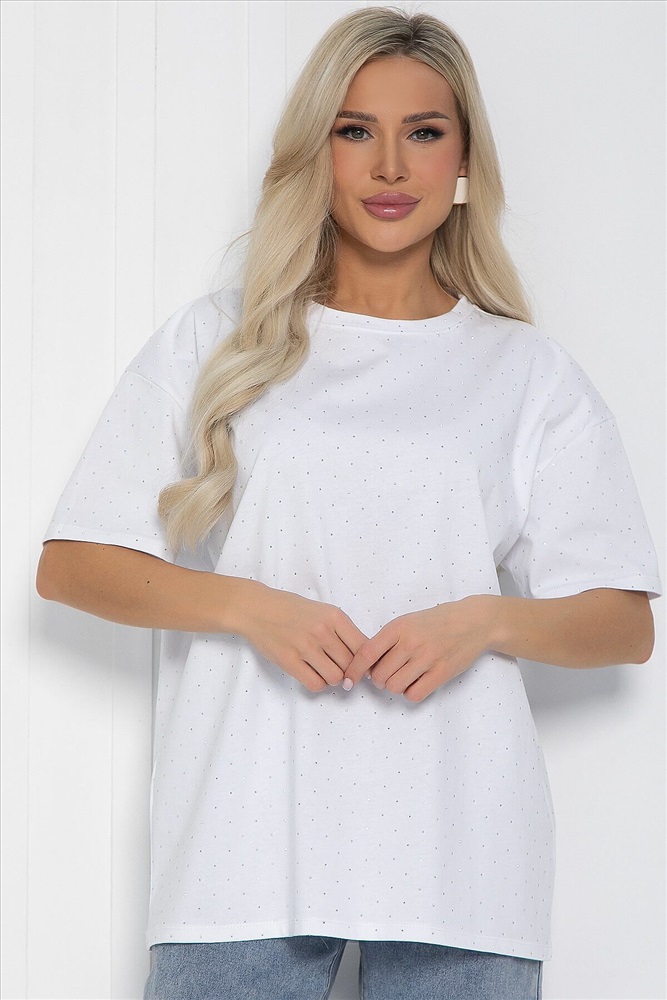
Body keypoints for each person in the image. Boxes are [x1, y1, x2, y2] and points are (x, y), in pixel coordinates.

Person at [36, 7, 661, 1000]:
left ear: (464, 160)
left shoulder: (525, 372)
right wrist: (250, 607)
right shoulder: (216, 341)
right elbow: (72, 563)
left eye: (424, 131)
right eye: (354, 130)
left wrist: (483, 620)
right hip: (241, 848)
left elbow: (623, 623)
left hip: (462, 862)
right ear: (316, 152)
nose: (389, 166)